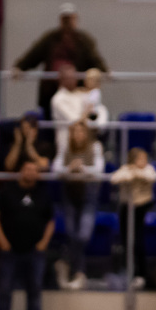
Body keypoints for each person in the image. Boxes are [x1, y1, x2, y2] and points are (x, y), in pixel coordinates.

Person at [0, 159, 54, 310]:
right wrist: (2, 241)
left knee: (35, 289)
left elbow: (50, 220)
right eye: (27, 168)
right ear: (21, 171)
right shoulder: (8, 191)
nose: (30, 172)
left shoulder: (43, 193)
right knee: (5, 288)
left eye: (34, 170)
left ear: (38, 174)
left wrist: (43, 243)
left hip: (34, 251)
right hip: (10, 250)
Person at [13, 4, 106, 116]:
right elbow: (34, 55)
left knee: (75, 115)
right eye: (65, 19)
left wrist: (104, 70)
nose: (68, 22)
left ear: (75, 19)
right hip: (51, 90)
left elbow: (94, 57)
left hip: (76, 92)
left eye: (70, 18)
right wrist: (20, 67)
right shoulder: (50, 38)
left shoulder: (83, 40)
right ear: (60, 20)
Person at [52, 120, 105, 290]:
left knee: (83, 235)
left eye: (81, 131)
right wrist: (69, 168)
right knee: (71, 233)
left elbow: (99, 170)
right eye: (75, 131)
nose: (78, 135)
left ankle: (65, 261)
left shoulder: (95, 146)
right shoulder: (65, 146)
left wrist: (82, 169)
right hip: (69, 192)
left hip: (89, 192)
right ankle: (79, 273)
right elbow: (56, 169)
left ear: (86, 133)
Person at [110, 148, 156, 290]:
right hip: (126, 208)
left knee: (139, 241)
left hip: (141, 208)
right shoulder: (126, 168)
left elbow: (153, 177)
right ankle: (128, 273)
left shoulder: (148, 169)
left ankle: (141, 274)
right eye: (140, 159)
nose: (143, 162)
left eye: (145, 159)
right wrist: (130, 173)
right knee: (127, 241)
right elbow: (114, 179)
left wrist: (137, 173)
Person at [49, 64, 90, 156]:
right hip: (66, 142)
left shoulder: (80, 94)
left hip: (84, 139)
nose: (75, 79)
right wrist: (87, 113)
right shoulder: (58, 99)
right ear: (62, 79)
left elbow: (94, 111)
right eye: (70, 77)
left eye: (75, 76)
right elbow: (75, 120)